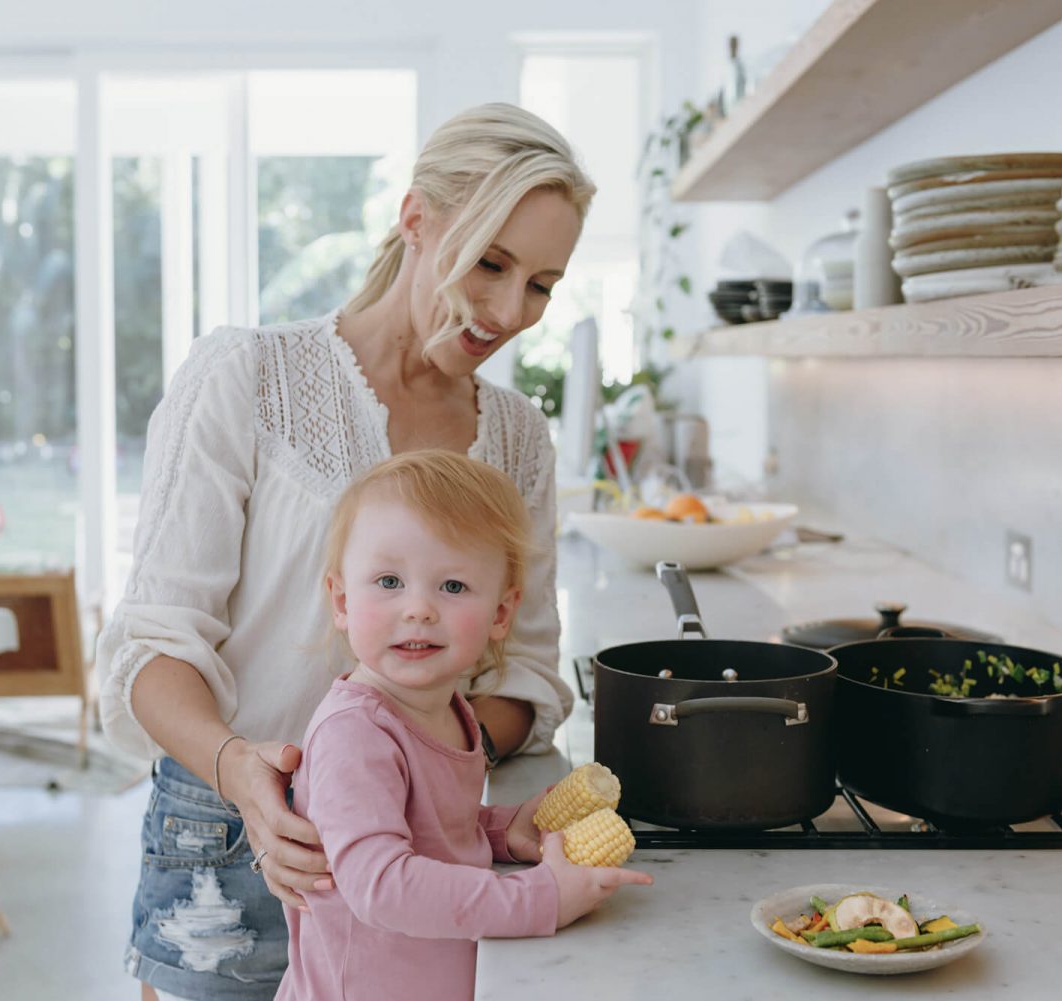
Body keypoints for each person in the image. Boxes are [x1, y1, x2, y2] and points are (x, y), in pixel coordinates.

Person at [96, 102, 591, 1001]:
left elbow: (526, 677)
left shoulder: (518, 437)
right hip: (239, 838)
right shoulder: (246, 377)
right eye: (490, 262)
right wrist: (241, 770)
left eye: (542, 284)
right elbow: (152, 648)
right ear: (416, 220)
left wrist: (424, 769)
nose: (511, 310)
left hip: (427, 857)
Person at [276, 450, 652, 1000]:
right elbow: (381, 885)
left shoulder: (445, 707)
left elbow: (429, 827)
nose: (419, 608)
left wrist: (501, 829)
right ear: (341, 600)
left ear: (502, 614)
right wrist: (541, 898)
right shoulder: (354, 735)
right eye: (388, 580)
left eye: (452, 586)